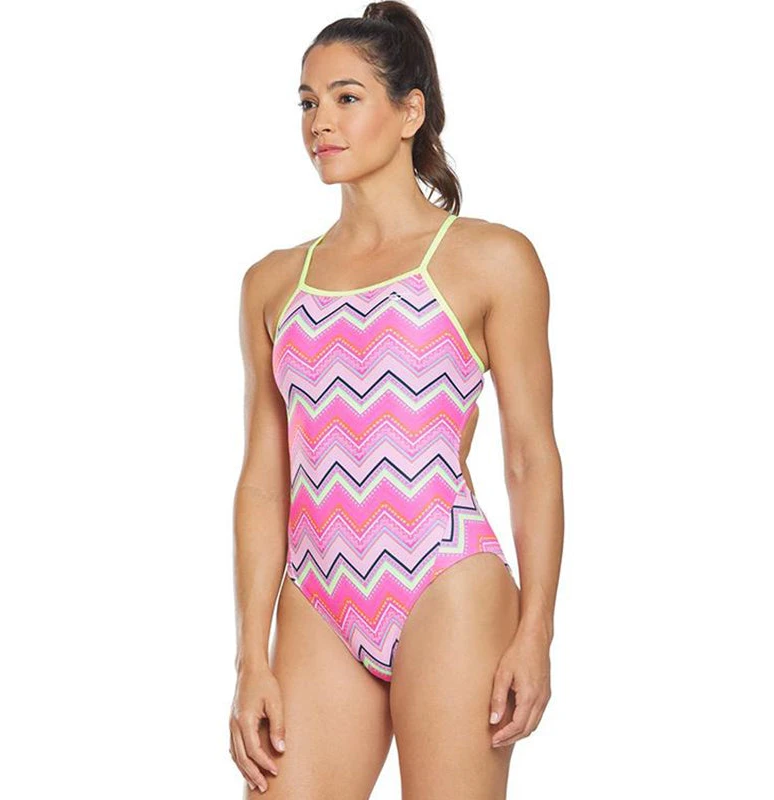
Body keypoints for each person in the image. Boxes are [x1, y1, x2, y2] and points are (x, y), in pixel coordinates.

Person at [229, 2, 563, 796]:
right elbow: (263, 480)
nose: (320, 122)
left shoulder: (490, 259)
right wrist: (249, 658)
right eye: (308, 101)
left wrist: (536, 633)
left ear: (411, 112)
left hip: (445, 581)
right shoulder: (273, 284)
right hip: (317, 593)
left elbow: (529, 457)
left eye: (346, 97)